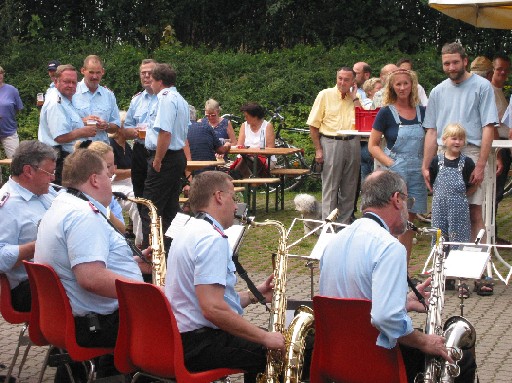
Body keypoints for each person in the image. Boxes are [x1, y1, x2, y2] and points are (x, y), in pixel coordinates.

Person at [319, 170, 477, 383]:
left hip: (337, 359)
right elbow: (385, 318)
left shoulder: (333, 242)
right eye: (407, 201)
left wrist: (403, 302)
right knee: (460, 357)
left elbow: (354, 304)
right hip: (377, 361)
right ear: (396, 199)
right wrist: (424, 341)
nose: (407, 208)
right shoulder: (389, 247)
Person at [34, 149, 150, 378]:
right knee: (185, 324)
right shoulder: (83, 215)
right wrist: (148, 293)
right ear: (94, 179)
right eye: (109, 175)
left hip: (73, 320)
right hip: (94, 325)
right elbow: (91, 278)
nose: (111, 181)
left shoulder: (62, 206)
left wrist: (134, 264)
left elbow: (81, 266)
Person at [164, 171, 285, 383]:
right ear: (219, 196)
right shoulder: (212, 238)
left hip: (184, 338)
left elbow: (205, 299)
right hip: (201, 342)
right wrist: (265, 337)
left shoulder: (190, 229)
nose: (236, 206)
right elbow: (212, 309)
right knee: (288, 352)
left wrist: (253, 295)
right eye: (233, 197)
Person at [422, 42, 498, 244]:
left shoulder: (483, 87)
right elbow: (431, 131)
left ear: (465, 61)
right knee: (442, 213)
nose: (451, 67)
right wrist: (425, 166)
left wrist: (481, 165)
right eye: (446, 63)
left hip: (471, 154)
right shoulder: (437, 91)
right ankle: (444, 267)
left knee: (473, 212)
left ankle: (476, 267)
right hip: (442, 156)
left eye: (455, 62)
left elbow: (488, 127)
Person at [368, 69, 427, 263]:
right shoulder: (386, 112)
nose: (402, 88)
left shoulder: (423, 112)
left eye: (405, 84)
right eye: (398, 84)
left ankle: (404, 269)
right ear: (392, 87)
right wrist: (391, 163)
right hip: (395, 171)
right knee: (391, 219)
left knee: (409, 222)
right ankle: (386, 265)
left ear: (413, 86)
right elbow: (373, 145)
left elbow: (431, 140)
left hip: (417, 170)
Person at [0, 141, 58, 312]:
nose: (53, 178)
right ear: (28, 171)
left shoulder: (47, 192)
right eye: (50, 172)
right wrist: (41, 244)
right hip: (28, 285)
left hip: (55, 275)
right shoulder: (7, 205)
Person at [143, 63, 189, 252]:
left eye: (152, 80)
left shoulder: (165, 98)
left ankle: (150, 252)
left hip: (166, 156)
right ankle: (173, 249)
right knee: (171, 207)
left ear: (160, 82)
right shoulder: (181, 99)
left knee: (151, 207)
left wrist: (158, 159)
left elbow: (165, 132)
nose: (150, 84)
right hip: (177, 156)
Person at [307, 67, 361, 223]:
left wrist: (355, 98)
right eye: (340, 78)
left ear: (353, 82)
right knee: (330, 186)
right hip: (331, 142)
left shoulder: (355, 98)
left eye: (346, 79)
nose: (342, 82)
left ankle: (344, 224)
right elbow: (313, 125)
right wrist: (318, 149)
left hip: (353, 142)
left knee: (350, 186)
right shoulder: (325, 95)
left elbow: (365, 120)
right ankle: (328, 225)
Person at [38, 64, 96, 185]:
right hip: (59, 160)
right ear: (56, 81)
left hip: (68, 158)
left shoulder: (66, 99)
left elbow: (67, 122)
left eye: (74, 82)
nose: (71, 85)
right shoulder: (56, 103)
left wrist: (82, 121)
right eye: (66, 82)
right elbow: (60, 137)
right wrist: (83, 131)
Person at [428, 123, 476, 251]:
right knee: (439, 237)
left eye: (461, 139)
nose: (457, 142)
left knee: (458, 238)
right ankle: (439, 266)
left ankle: (457, 268)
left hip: (459, 208)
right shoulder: (436, 161)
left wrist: (461, 197)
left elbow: (473, 185)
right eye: (454, 138)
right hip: (439, 207)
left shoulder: (467, 162)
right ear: (444, 140)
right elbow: (433, 181)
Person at [123, 59, 157, 203]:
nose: (146, 76)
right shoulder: (136, 100)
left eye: (150, 73)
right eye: (143, 73)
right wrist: (133, 132)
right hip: (139, 150)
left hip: (157, 151)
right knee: (139, 191)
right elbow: (126, 129)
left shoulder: (164, 98)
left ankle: (156, 224)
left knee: (155, 194)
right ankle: (143, 223)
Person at [109, 111, 143, 246]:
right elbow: (113, 172)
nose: (132, 129)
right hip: (114, 184)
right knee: (137, 200)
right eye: (128, 126)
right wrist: (134, 172)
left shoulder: (128, 146)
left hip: (129, 182)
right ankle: (140, 242)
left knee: (147, 194)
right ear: (120, 128)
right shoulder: (111, 145)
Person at [73, 55, 121, 144]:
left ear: (103, 72)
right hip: (78, 149)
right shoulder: (72, 92)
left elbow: (116, 125)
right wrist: (82, 121)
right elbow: (62, 123)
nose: (95, 76)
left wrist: (106, 125)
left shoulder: (108, 95)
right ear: (83, 70)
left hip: (101, 149)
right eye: (91, 72)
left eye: (98, 72)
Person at [491, 54, 512, 243]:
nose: (503, 72)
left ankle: (493, 232)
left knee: (497, 192)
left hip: (505, 145)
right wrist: (498, 152)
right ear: (492, 70)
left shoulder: (500, 91)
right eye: (499, 69)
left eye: (506, 69)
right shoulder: (490, 90)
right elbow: (493, 125)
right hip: (499, 146)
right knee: (494, 191)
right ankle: (491, 234)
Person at [230, 102, 276, 179]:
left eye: (246, 116)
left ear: (255, 116)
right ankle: (236, 177)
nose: (245, 118)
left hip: (265, 159)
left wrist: (252, 152)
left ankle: (234, 177)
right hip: (245, 158)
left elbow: (270, 148)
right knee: (247, 159)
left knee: (248, 159)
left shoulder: (267, 126)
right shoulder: (244, 125)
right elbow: (239, 146)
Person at [188, 105, 231, 173]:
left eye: (213, 115)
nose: (210, 117)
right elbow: (221, 150)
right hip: (207, 170)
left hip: (185, 171)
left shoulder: (177, 129)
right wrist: (228, 145)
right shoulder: (206, 127)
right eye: (207, 115)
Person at [0, 65, 23, 159]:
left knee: (16, 161)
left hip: (9, 131)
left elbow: (18, 108)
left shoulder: (12, 90)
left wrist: (5, 116)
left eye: (1, 73)